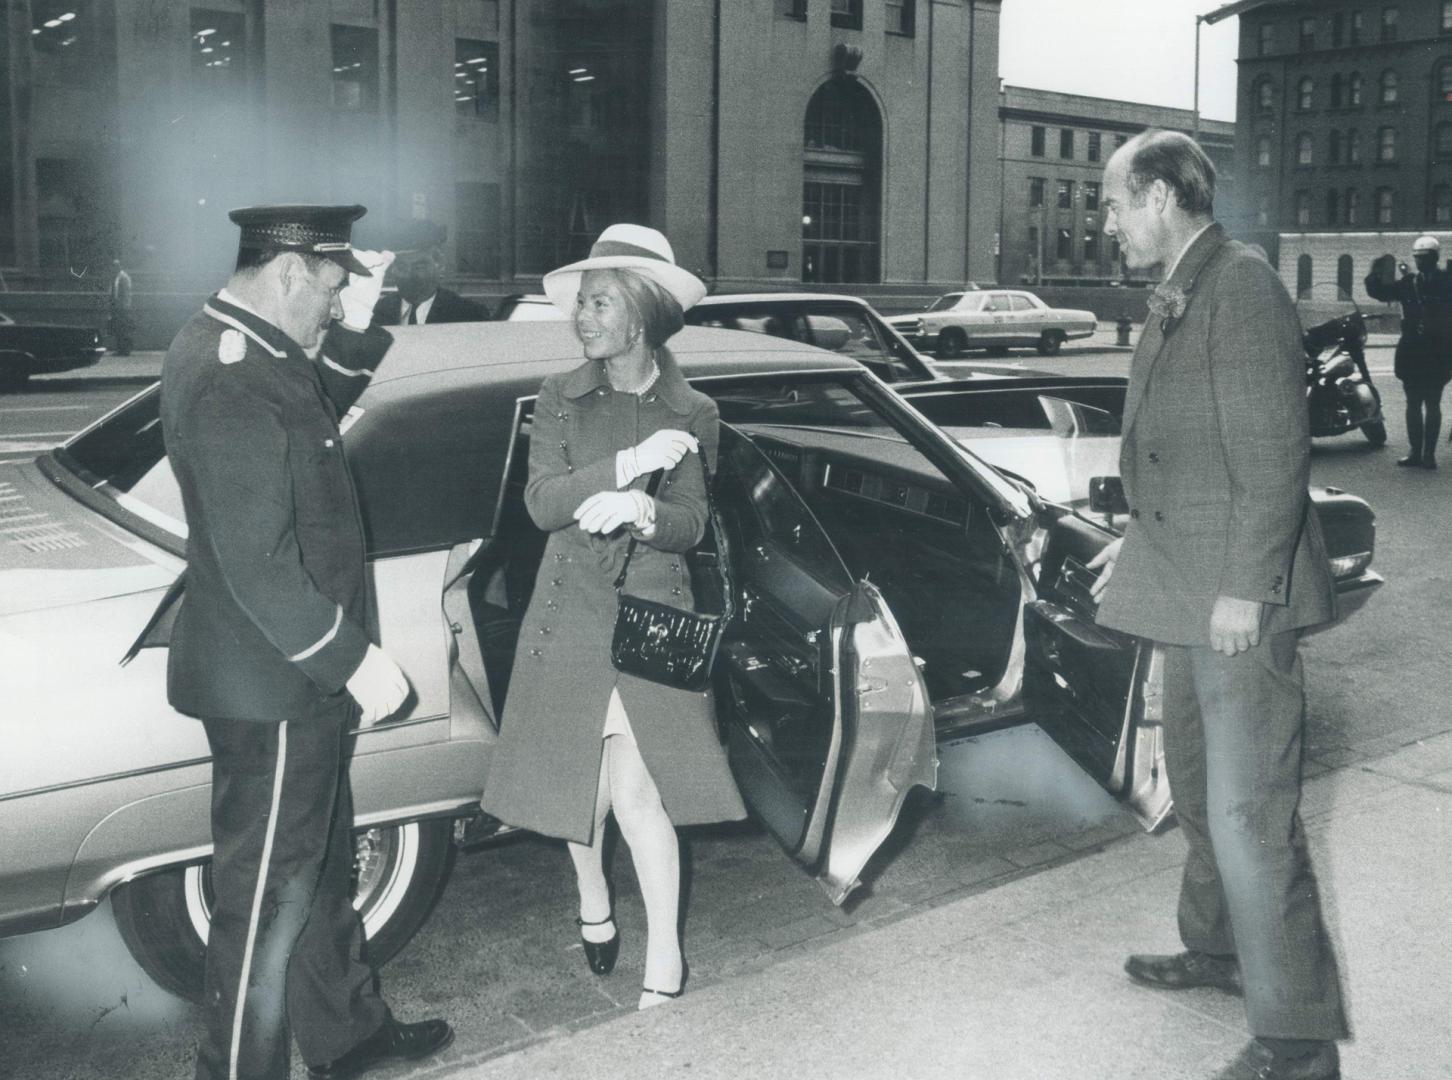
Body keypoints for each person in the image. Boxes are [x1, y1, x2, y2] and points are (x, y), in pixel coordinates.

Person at [158, 204, 452, 1080]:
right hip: (277, 677)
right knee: (267, 895)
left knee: (318, 862)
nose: (332, 305)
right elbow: (258, 563)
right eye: (329, 289)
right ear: (287, 273)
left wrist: (360, 326)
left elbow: (315, 409)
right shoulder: (231, 374)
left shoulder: (245, 348)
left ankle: (346, 1034)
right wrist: (350, 656)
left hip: (284, 677)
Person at [1088, 131, 1346, 1080]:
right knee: (1196, 788)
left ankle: (1298, 1042)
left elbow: (1276, 450)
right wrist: (1141, 535)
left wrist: (1245, 585)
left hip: (1239, 596)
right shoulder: (1188, 284)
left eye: (1115, 204)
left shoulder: (1238, 285)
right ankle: (1218, 948)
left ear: (1159, 195)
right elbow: (1186, 449)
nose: (1107, 222)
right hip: (1186, 578)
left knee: (1249, 814)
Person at [479, 223, 745, 1010]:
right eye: (581, 303)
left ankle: (665, 954)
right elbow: (542, 503)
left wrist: (646, 514)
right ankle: (593, 895)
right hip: (569, 613)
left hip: (656, 609)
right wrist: (627, 466)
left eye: (599, 302)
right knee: (575, 783)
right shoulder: (559, 399)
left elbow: (693, 521)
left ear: (641, 312)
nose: (582, 317)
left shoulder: (696, 409)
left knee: (642, 793)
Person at [1363, 235, 1452, 468]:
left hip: (1438, 350)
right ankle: (1415, 452)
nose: (1421, 262)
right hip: (1413, 349)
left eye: (1425, 257)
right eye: (1417, 258)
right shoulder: (1409, 282)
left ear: (1435, 257)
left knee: (1433, 403)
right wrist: (1375, 271)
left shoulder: (1447, 281)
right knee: (1412, 402)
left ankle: (1429, 454)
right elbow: (1381, 292)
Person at [370, 219, 488, 325]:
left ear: (439, 265)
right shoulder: (374, 313)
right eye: (402, 267)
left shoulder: (468, 314)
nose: (409, 275)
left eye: (419, 267)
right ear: (392, 270)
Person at [108, 258, 135, 355]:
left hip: (122, 308)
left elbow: (125, 294)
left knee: (123, 330)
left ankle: (125, 350)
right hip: (118, 308)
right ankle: (121, 349)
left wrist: (123, 307)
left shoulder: (123, 277)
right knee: (119, 329)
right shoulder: (117, 277)